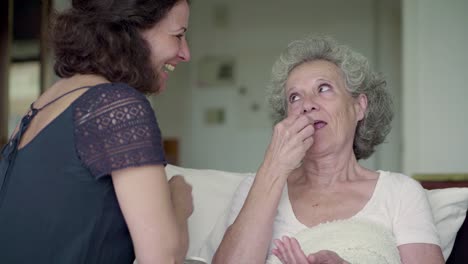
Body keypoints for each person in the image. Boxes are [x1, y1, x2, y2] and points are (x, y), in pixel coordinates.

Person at [211, 36, 445, 264]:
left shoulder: (401, 193)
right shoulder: (256, 188)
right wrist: (273, 167)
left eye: (323, 88)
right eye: (294, 97)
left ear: (359, 106)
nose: (307, 104)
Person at [0, 0, 193, 263]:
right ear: (130, 30)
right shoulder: (115, 105)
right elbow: (162, 258)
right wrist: (179, 205)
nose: (185, 53)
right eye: (178, 35)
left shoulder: (41, 106)